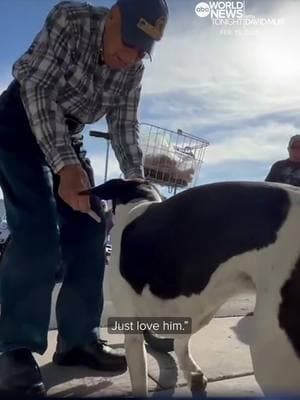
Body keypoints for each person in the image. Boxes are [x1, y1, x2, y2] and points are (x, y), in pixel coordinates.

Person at [0, 0, 168, 395]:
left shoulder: (133, 69)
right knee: (38, 233)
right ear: (111, 17)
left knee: (92, 231)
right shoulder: (71, 20)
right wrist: (64, 166)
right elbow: (35, 86)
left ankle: (78, 340)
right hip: (18, 126)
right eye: (128, 42)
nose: (130, 56)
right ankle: (15, 348)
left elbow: (125, 125)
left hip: (70, 137)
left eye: (142, 50)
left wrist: (137, 181)